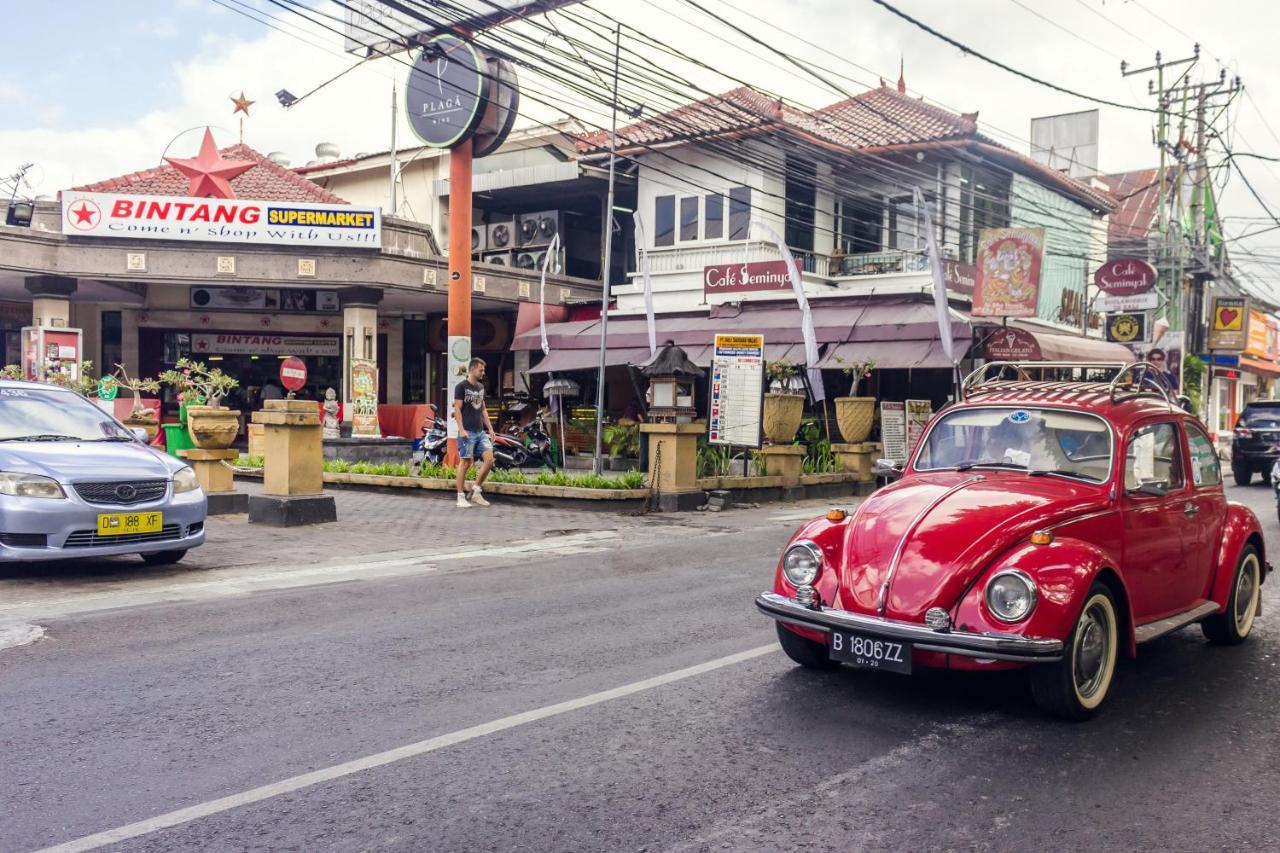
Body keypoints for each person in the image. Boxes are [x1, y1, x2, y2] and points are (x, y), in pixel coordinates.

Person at [454, 357, 497, 508]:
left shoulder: (480, 387)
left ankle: (476, 491)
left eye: (483, 370)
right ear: (472, 369)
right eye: (481, 370)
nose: (483, 372)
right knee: (465, 463)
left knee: (490, 460)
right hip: (467, 431)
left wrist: (490, 429)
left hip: (480, 431)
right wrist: (461, 429)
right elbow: (457, 409)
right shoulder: (461, 387)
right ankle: (460, 497)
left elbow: (483, 409)